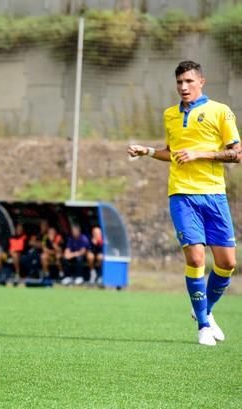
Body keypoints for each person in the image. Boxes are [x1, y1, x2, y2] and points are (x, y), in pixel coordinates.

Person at [127, 60, 241, 346]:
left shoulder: (220, 112)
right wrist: (149, 151)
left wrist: (201, 154)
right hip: (181, 195)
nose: (183, 87)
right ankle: (203, 325)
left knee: (227, 264)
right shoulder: (170, 115)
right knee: (195, 258)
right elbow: (173, 152)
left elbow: (236, 154)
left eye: (189, 81)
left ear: (201, 81)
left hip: (214, 195)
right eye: (179, 82)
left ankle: (204, 309)